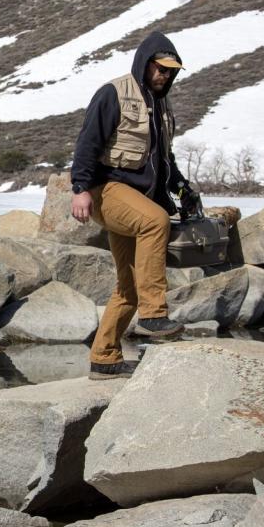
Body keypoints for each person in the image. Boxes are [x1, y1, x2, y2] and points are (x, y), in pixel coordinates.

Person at [70, 31, 200, 380]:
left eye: (171, 72)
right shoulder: (114, 93)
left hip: (135, 200)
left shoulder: (161, 105)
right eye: (160, 69)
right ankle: (154, 313)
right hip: (106, 190)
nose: (165, 76)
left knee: (126, 286)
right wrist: (80, 188)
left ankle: (105, 357)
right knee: (155, 221)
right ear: (145, 63)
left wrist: (182, 187)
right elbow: (87, 143)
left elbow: (164, 157)